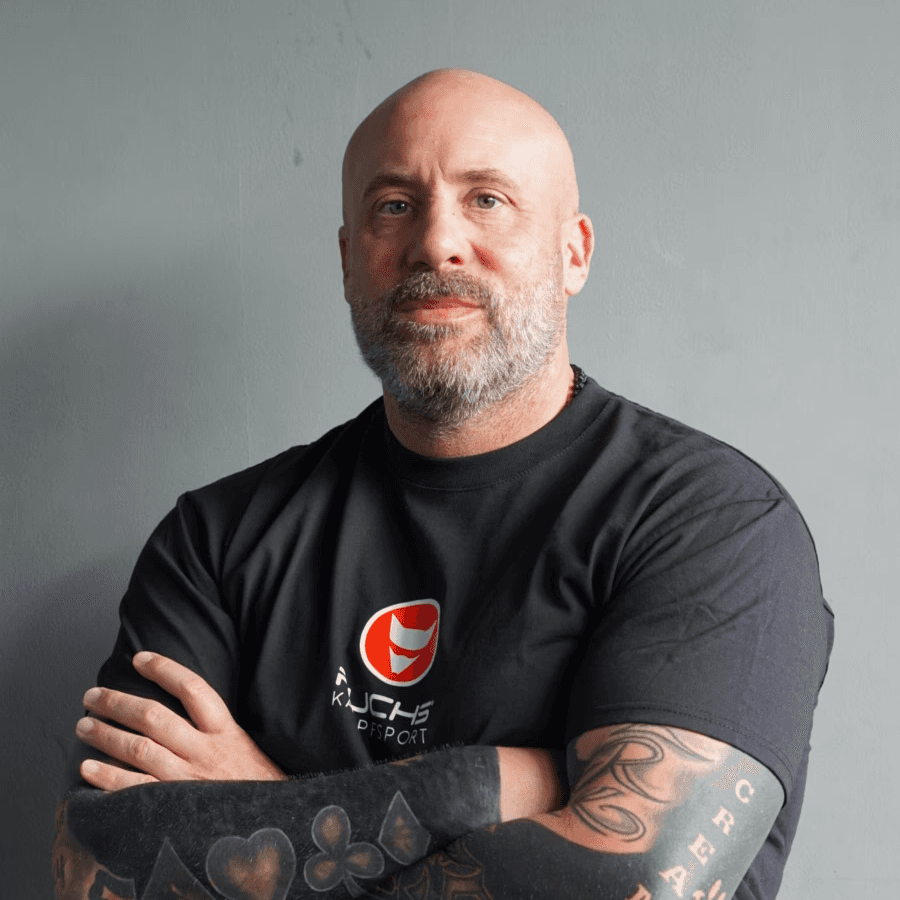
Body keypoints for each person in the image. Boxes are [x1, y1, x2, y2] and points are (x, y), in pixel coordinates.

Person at [52, 68, 833, 900]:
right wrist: (487, 789)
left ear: (573, 252)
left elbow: (631, 882)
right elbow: (97, 866)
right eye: (394, 205)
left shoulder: (710, 522)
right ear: (348, 259)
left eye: (487, 200)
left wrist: (266, 809)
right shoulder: (219, 539)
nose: (436, 244)